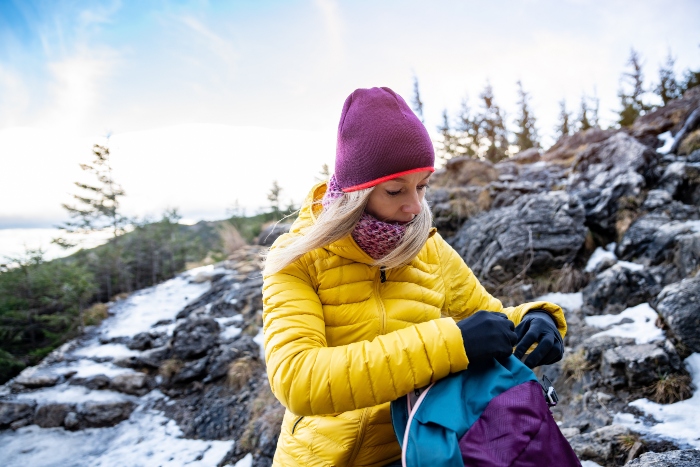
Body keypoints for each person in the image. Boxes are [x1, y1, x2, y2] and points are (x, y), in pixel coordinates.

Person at [262, 87, 567, 467]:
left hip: (417, 452)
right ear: (356, 193)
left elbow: (487, 318)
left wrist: (537, 319)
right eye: (395, 190)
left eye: (422, 185)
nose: (414, 206)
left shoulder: (429, 248)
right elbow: (298, 379)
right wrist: (452, 344)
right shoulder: (297, 259)